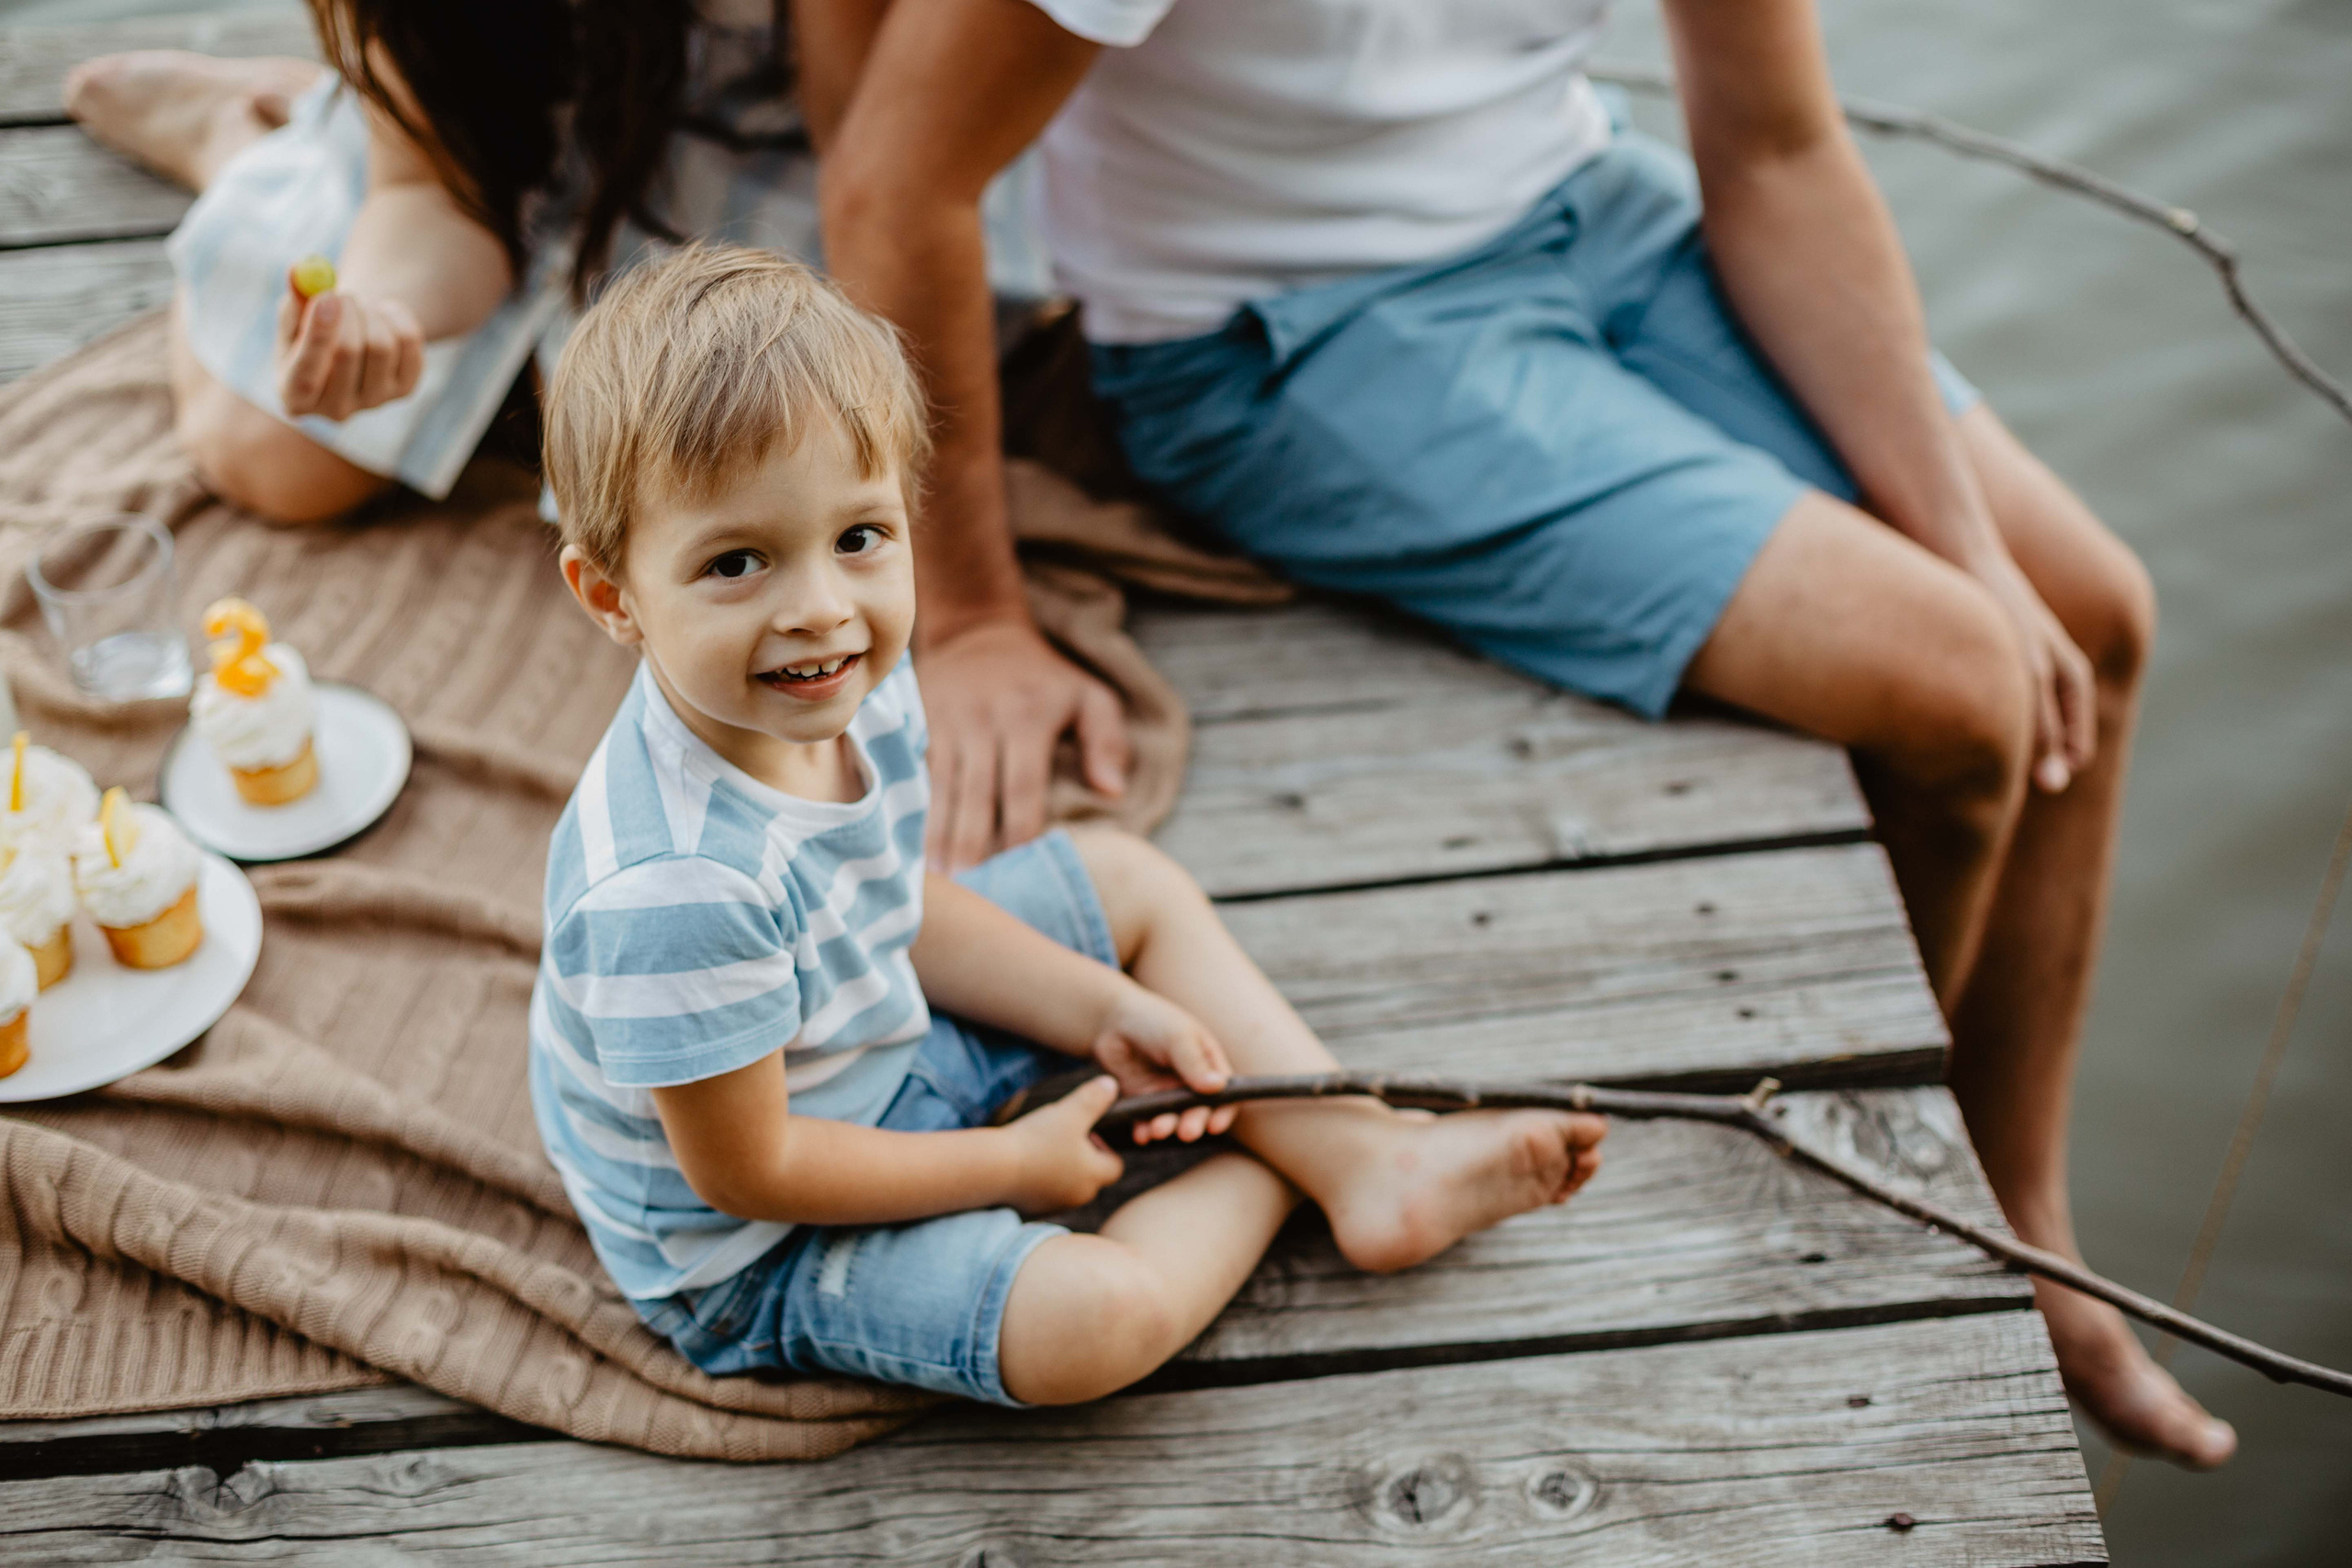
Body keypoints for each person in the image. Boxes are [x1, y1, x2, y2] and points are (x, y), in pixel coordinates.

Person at [805, 0, 2229, 1466]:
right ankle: (1868, 1204)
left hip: (1584, 205)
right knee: (1963, 685)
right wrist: (970, 613)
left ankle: (2028, 1219)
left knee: (2087, 615)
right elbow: (897, 179)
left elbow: (1779, 149)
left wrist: (1967, 539)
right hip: (1278, 323)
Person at [529, 245, 1608, 1405]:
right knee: (1095, 1321)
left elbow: (886, 904)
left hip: (867, 1042)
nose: (821, 607)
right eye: (736, 562)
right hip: (760, 1240)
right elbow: (756, 1170)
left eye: (858, 537)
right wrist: (1012, 1164)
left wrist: (1099, 1009)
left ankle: (1365, 1160)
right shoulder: (675, 888)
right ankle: (1278, 1166)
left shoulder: (843, 681)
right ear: (613, 597)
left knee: (1123, 879)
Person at [64, 1, 1128, 867]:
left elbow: (881, 170)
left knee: (718, 437)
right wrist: (382, 314)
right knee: (269, 459)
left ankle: (296, 133)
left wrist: (972, 614)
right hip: (509, 137)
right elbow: (426, 194)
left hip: (784, 142)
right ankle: (246, 144)